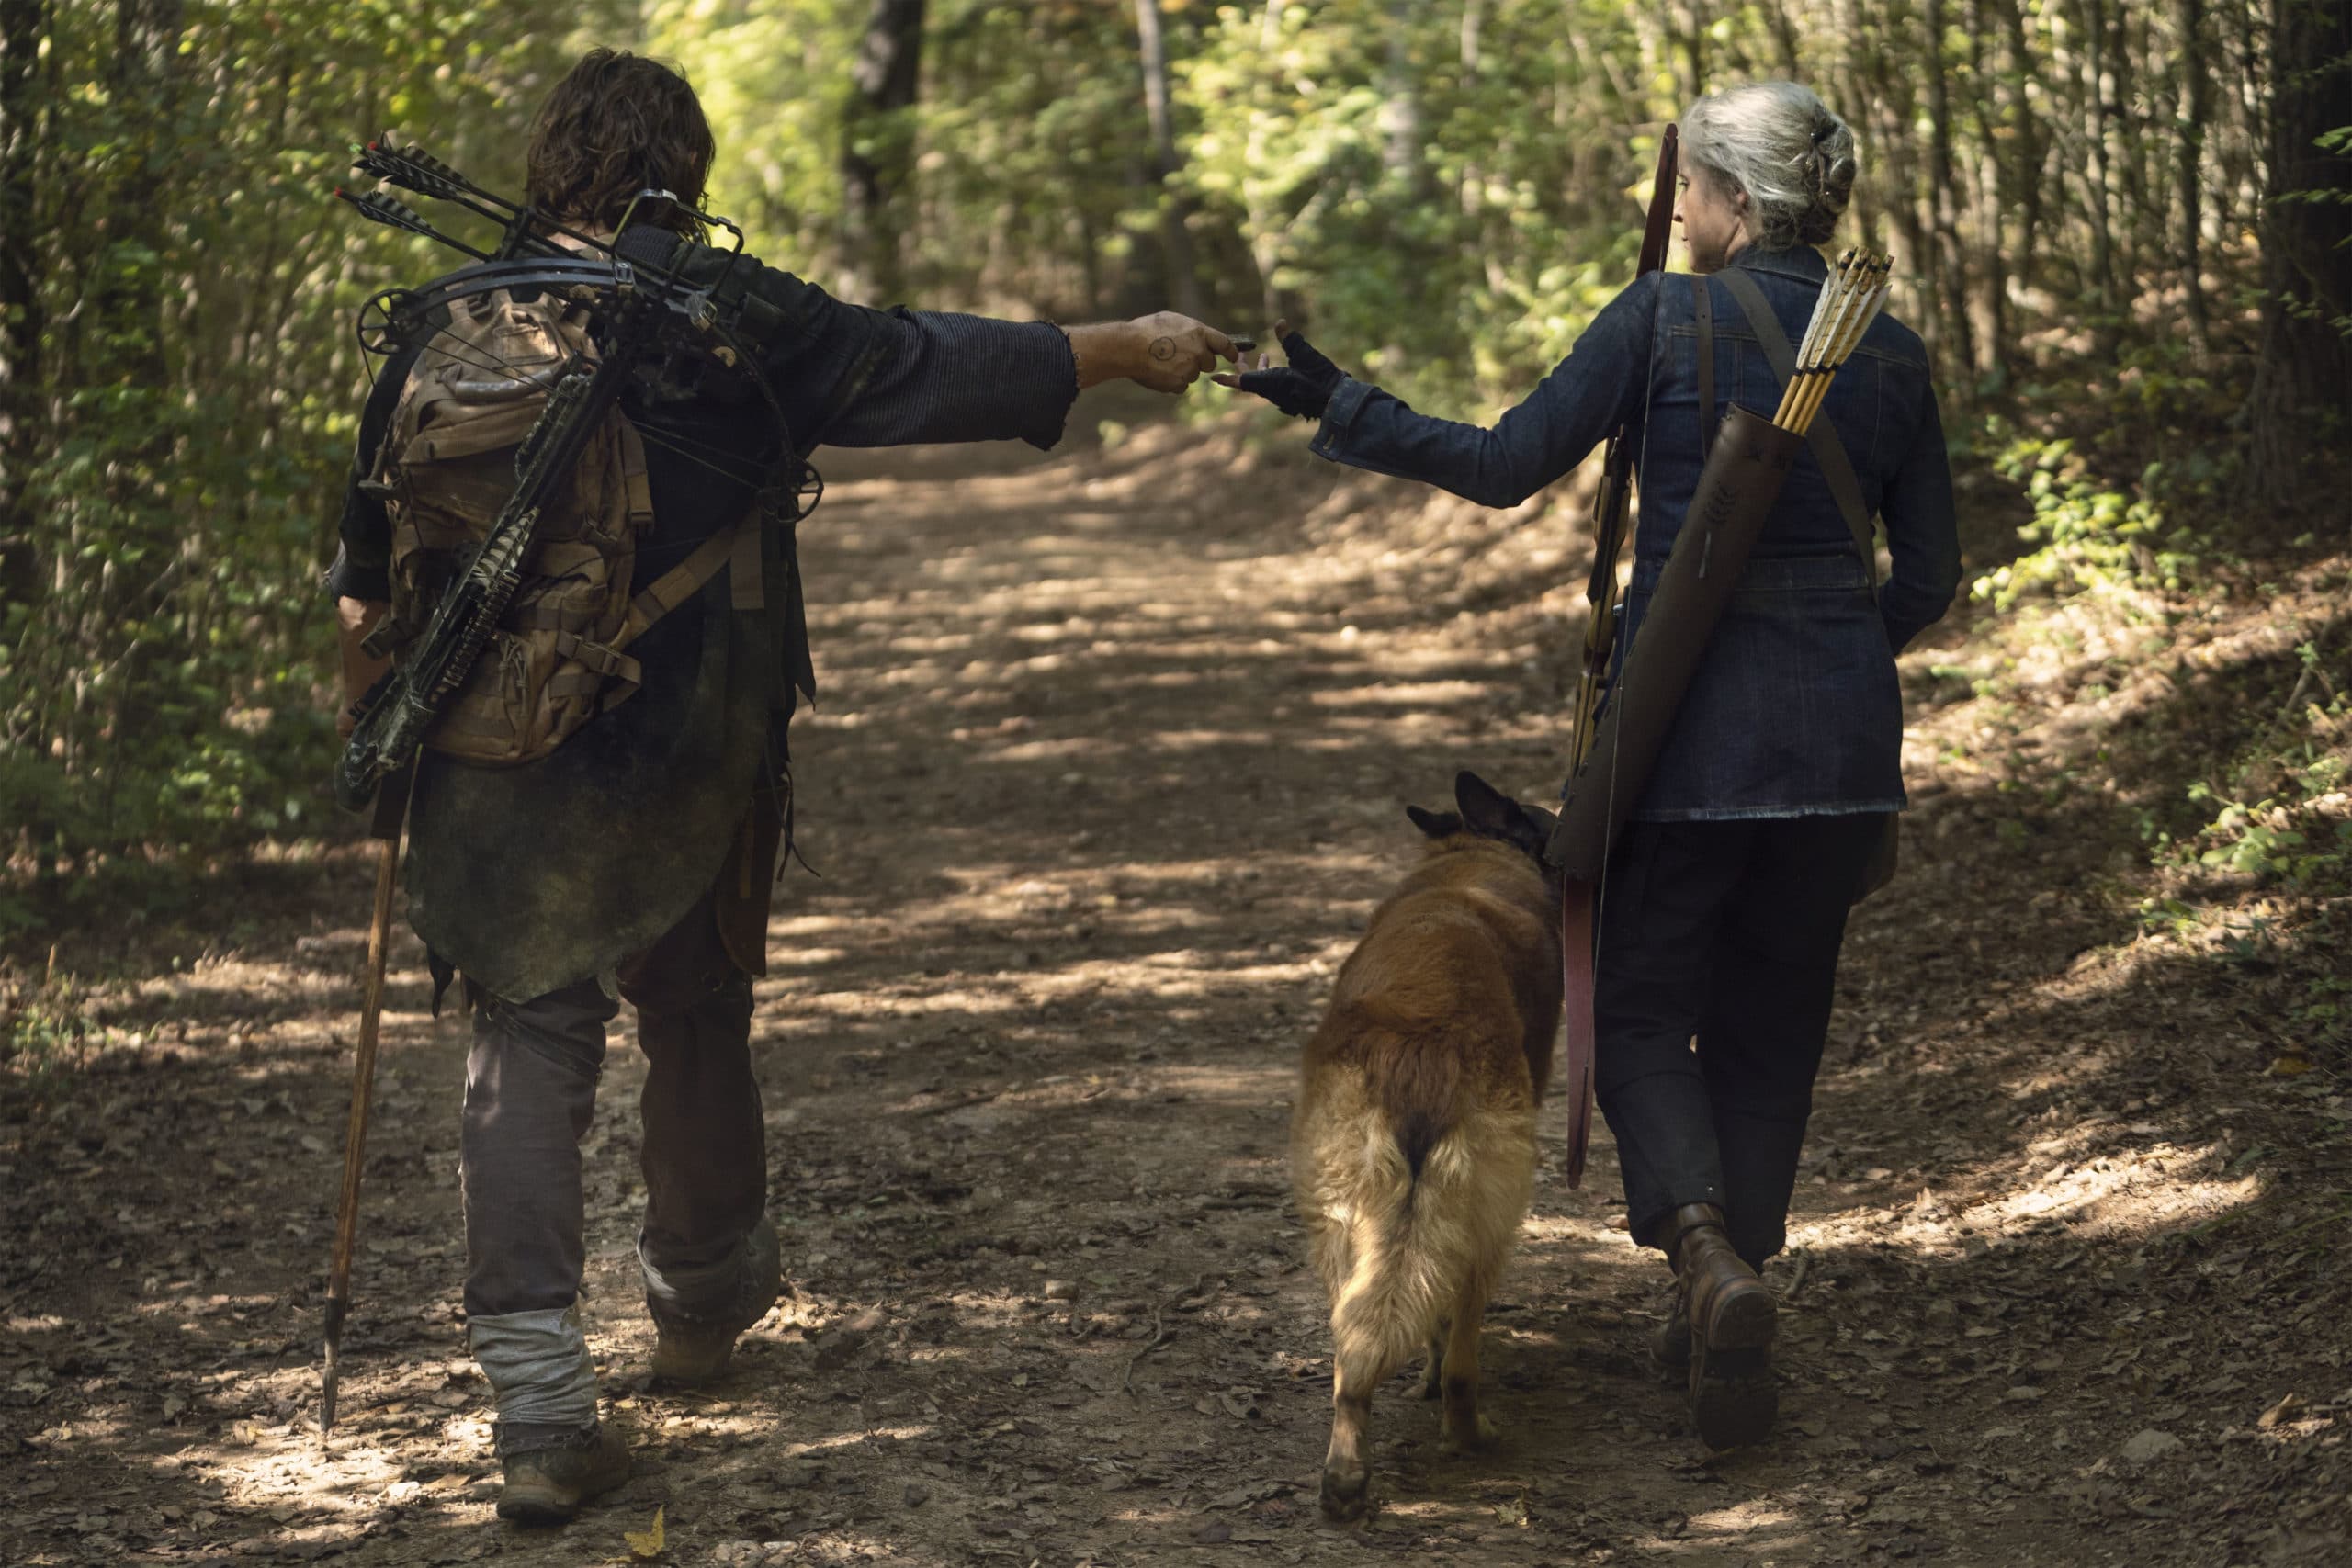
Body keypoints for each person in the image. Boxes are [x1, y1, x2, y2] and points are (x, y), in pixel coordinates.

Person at [327, 49, 1235, 1525]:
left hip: (485, 755)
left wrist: (376, 741)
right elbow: (921, 364)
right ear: (683, 169)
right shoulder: (724, 321)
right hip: (682, 749)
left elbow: (368, 580)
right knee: (691, 1011)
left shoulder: (446, 324)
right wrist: (1120, 345)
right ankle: (698, 1295)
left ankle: (542, 1410)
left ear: (550, 157)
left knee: (526, 1039)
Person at [1223, 81, 1960, 1450]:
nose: (1676, 208)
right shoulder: (1898, 350)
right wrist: (1841, 656)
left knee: (1632, 1013)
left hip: (1683, 739)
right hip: (1847, 752)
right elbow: (1930, 576)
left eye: (1690, 187)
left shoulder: (1663, 320)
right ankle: (1737, 1278)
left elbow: (1505, 465)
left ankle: (1702, 1256)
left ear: (1739, 202)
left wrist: (1339, 402)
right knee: (1774, 1021)